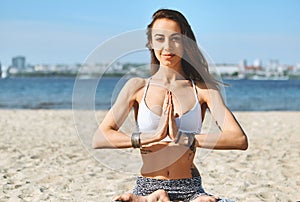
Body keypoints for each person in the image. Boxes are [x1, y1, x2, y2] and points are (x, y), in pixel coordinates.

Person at [92, 9, 248, 202]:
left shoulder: (202, 90)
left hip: (189, 188)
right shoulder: (137, 87)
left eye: (175, 39)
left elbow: (238, 139)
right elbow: (100, 137)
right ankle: (150, 198)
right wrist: (148, 137)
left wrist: (186, 139)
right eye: (159, 38)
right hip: (146, 187)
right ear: (150, 42)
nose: (167, 47)